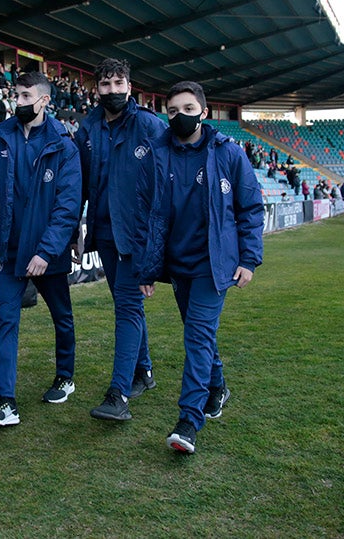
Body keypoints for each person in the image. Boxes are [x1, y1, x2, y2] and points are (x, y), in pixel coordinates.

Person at [133, 81, 263, 454]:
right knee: (199, 333)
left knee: (196, 338)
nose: (180, 116)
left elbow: (250, 209)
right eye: (172, 111)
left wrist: (249, 258)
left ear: (203, 112)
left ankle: (188, 420)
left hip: (214, 265)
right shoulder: (157, 155)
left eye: (188, 109)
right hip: (178, 266)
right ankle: (217, 384)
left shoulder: (229, 153)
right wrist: (147, 269)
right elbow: (147, 215)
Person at [0, 71, 81, 427]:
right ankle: (4, 401)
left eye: (25, 96)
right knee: (6, 321)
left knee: (61, 317)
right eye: (16, 96)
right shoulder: (0, 137)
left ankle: (65, 376)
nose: (18, 102)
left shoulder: (64, 145)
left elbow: (67, 207)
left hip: (46, 254)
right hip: (8, 250)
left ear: (44, 101)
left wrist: (46, 251)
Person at [74, 58, 166, 422]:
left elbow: (165, 181)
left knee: (127, 307)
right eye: (106, 84)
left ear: (130, 86)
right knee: (126, 303)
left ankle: (119, 393)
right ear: (96, 88)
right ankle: (143, 371)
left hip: (137, 235)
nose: (112, 90)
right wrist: (74, 230)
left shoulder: (149, 125)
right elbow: (78, 183)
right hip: (104, 233)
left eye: (119, 83)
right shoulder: (88, 127)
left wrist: (158, 235)